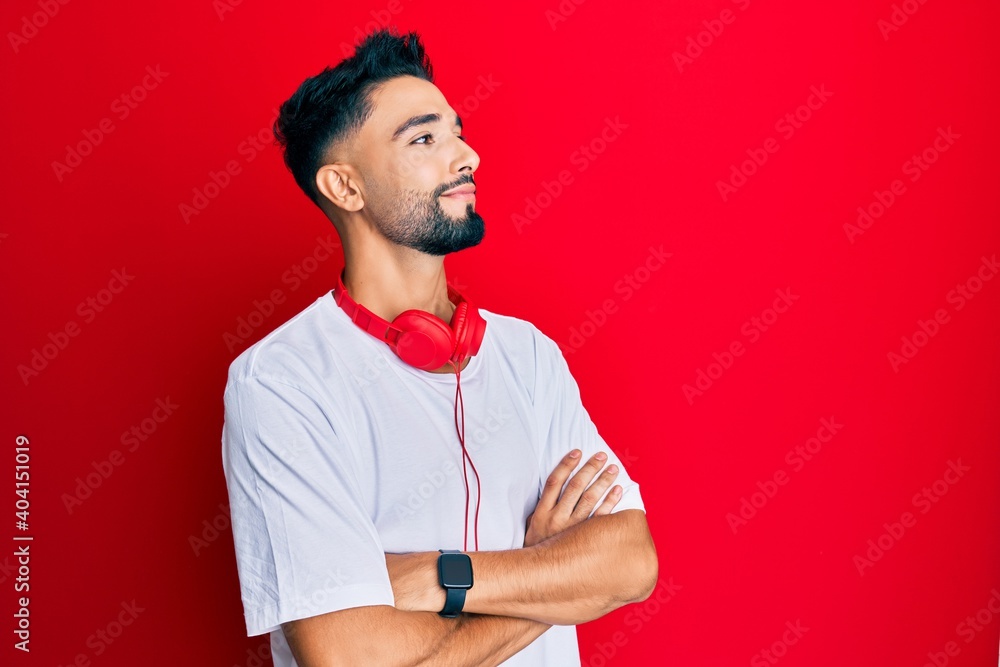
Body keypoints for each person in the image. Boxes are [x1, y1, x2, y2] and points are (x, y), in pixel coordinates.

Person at [220, 27, 658, 667]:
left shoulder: (530, 356)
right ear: (346, 188)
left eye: (457, 132)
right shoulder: (282, 382)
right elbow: (353, 660)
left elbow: (631, 562)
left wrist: (439, 575)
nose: (468, 156)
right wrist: (550, 573)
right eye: (425, 139)